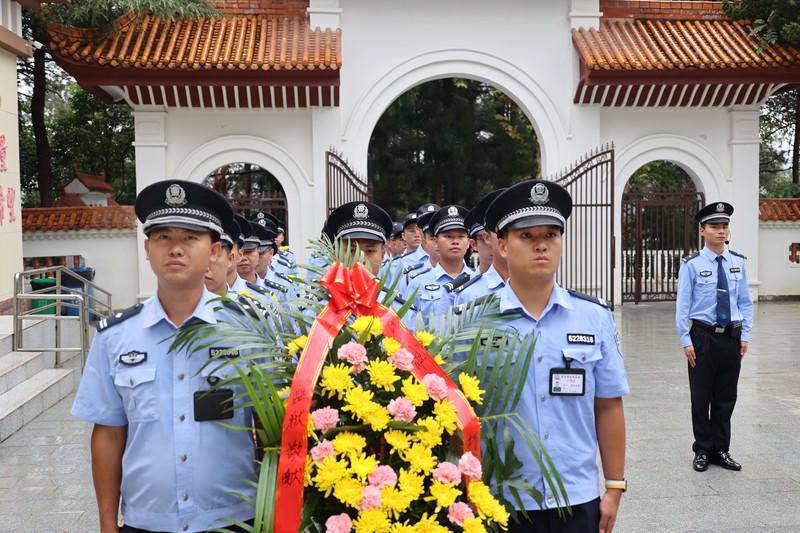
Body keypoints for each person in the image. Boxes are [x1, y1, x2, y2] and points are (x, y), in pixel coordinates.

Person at [72, 180, 257, 533]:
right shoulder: (115, 337)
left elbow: (269, 430)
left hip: (234, 520)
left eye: (190, 238)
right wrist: (107, 525)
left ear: (215, 250)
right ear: (147, 248)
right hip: (146, 523)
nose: (176, 249)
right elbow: (109, 434)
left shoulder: (248, 330)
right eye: (164, 238)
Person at [482, 179, 628, 533]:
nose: (541, 245)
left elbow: (608, 405)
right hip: (501, 501)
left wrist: (614, 487)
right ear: (501, 244)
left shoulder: (594, 316)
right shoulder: (474, 321)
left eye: (550, 234)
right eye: (526, 236)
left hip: (576, 500)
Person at [676, 201, 753, 473]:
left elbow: (745, 302)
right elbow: (682, 306)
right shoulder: (692, 265)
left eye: (724, 226)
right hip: (703, 337)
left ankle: (721, 448)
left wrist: (745, 334)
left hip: (731, 337)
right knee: (701, 395)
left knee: (726, 396)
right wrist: (686, 340)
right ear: (702, 230)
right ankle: (703, 449)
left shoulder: (738, 262)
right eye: (715, 227)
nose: (721, 231)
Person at [405, 205, 474, 325]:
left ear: (468, 243)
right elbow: (408, 327)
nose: (455, 241)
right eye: (448, 236)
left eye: (461, 236)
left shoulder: (477, 281)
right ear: (436, 242)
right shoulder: (418, 283)